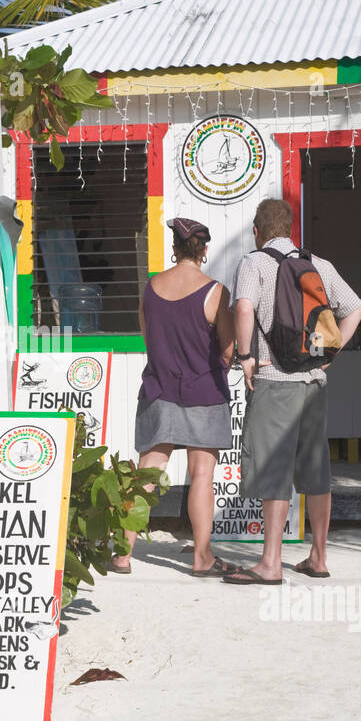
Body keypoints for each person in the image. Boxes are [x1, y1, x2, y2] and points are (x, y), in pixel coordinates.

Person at [225, 198, 361, 585]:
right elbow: (355, 309)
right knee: (316, 469)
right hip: (314, 382)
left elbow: (244, 309)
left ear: (257, 230)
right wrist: (330, 355)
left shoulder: (254, 263)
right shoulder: (319, 264)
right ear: (290, 229)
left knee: (274, 467)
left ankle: (270, 563)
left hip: (275, 379)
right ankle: (318, 557)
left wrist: (247, 356)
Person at [118, 217, 239, 577]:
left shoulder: (152, 287)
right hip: (204, 391)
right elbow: (229, 348)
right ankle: (202, 557)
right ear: (203, 250)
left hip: (159, 389)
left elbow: (147, 335)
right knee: (202, 474)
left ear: (175, 247)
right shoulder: (215, 291)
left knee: (147, 474)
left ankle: (123, 555)